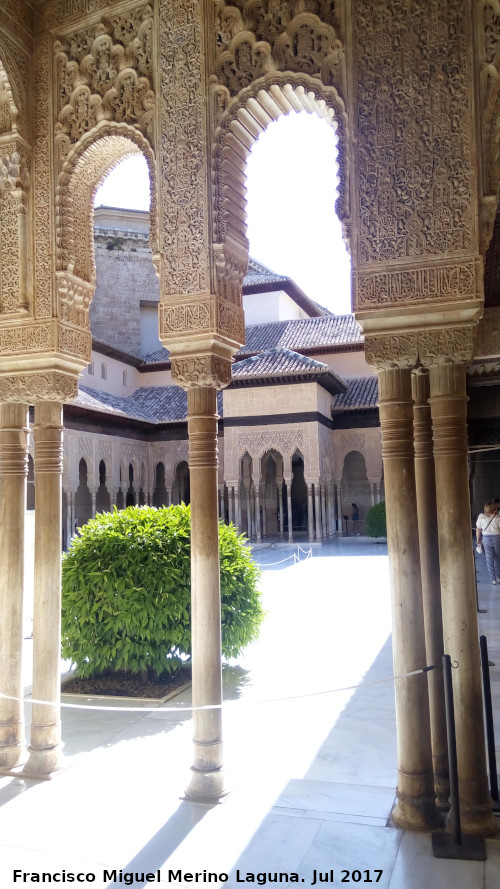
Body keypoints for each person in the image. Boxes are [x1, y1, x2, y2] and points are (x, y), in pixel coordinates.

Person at [476, 500, 500, 584]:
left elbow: (478, 529)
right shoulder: (497, 517)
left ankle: (493, 579)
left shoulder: (481, 516)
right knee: (497, 558)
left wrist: (478, 539)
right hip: (497, 538)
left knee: (489, 559)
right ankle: (499, 577)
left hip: (486, 538)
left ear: (485, 508)